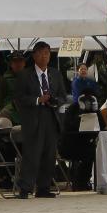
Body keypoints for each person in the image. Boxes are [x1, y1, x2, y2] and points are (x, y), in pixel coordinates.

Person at [13, 41, 66, 198]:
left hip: (51, 115)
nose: (44, 57)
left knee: (49, 154)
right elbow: (18, 98)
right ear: (35, 55)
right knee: (32, 153)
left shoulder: (55, 74)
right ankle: (25, 187)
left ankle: (43, 187)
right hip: (34, 117)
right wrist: (37, 99)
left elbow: (63, 95)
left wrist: (56, 101)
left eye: (47, 54)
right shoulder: (24, 74)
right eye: (41, 53)